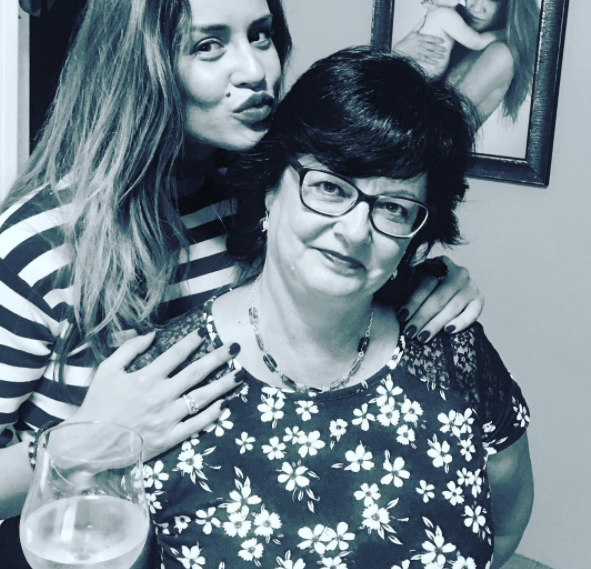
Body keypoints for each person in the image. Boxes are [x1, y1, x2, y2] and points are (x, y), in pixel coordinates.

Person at [0, 0, 484, 545]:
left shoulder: (255, 197)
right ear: (136, 64)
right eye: (209, 46)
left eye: (261, 35)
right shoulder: (42, 243)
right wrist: (89, 438)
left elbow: (337, 285)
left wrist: (429, 280)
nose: (256, 70)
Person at [146, 48, 533, 569]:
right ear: (270, 187)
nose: (354, 231)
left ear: (415, 235)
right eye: (330, 187)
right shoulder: (167, 379)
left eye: (393, 207)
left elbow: (504, 525)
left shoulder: (451, 350)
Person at [396, 0, 540, 131]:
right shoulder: (456, 21)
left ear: (511, 2)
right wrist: (399, 50)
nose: (476, 7)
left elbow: (441, 128)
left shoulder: (501, 53)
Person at [406, 0, 498, 79]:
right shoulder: (444, 15)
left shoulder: (439, 11)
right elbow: (478, 42)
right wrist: (506, 33)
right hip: (417, 79)